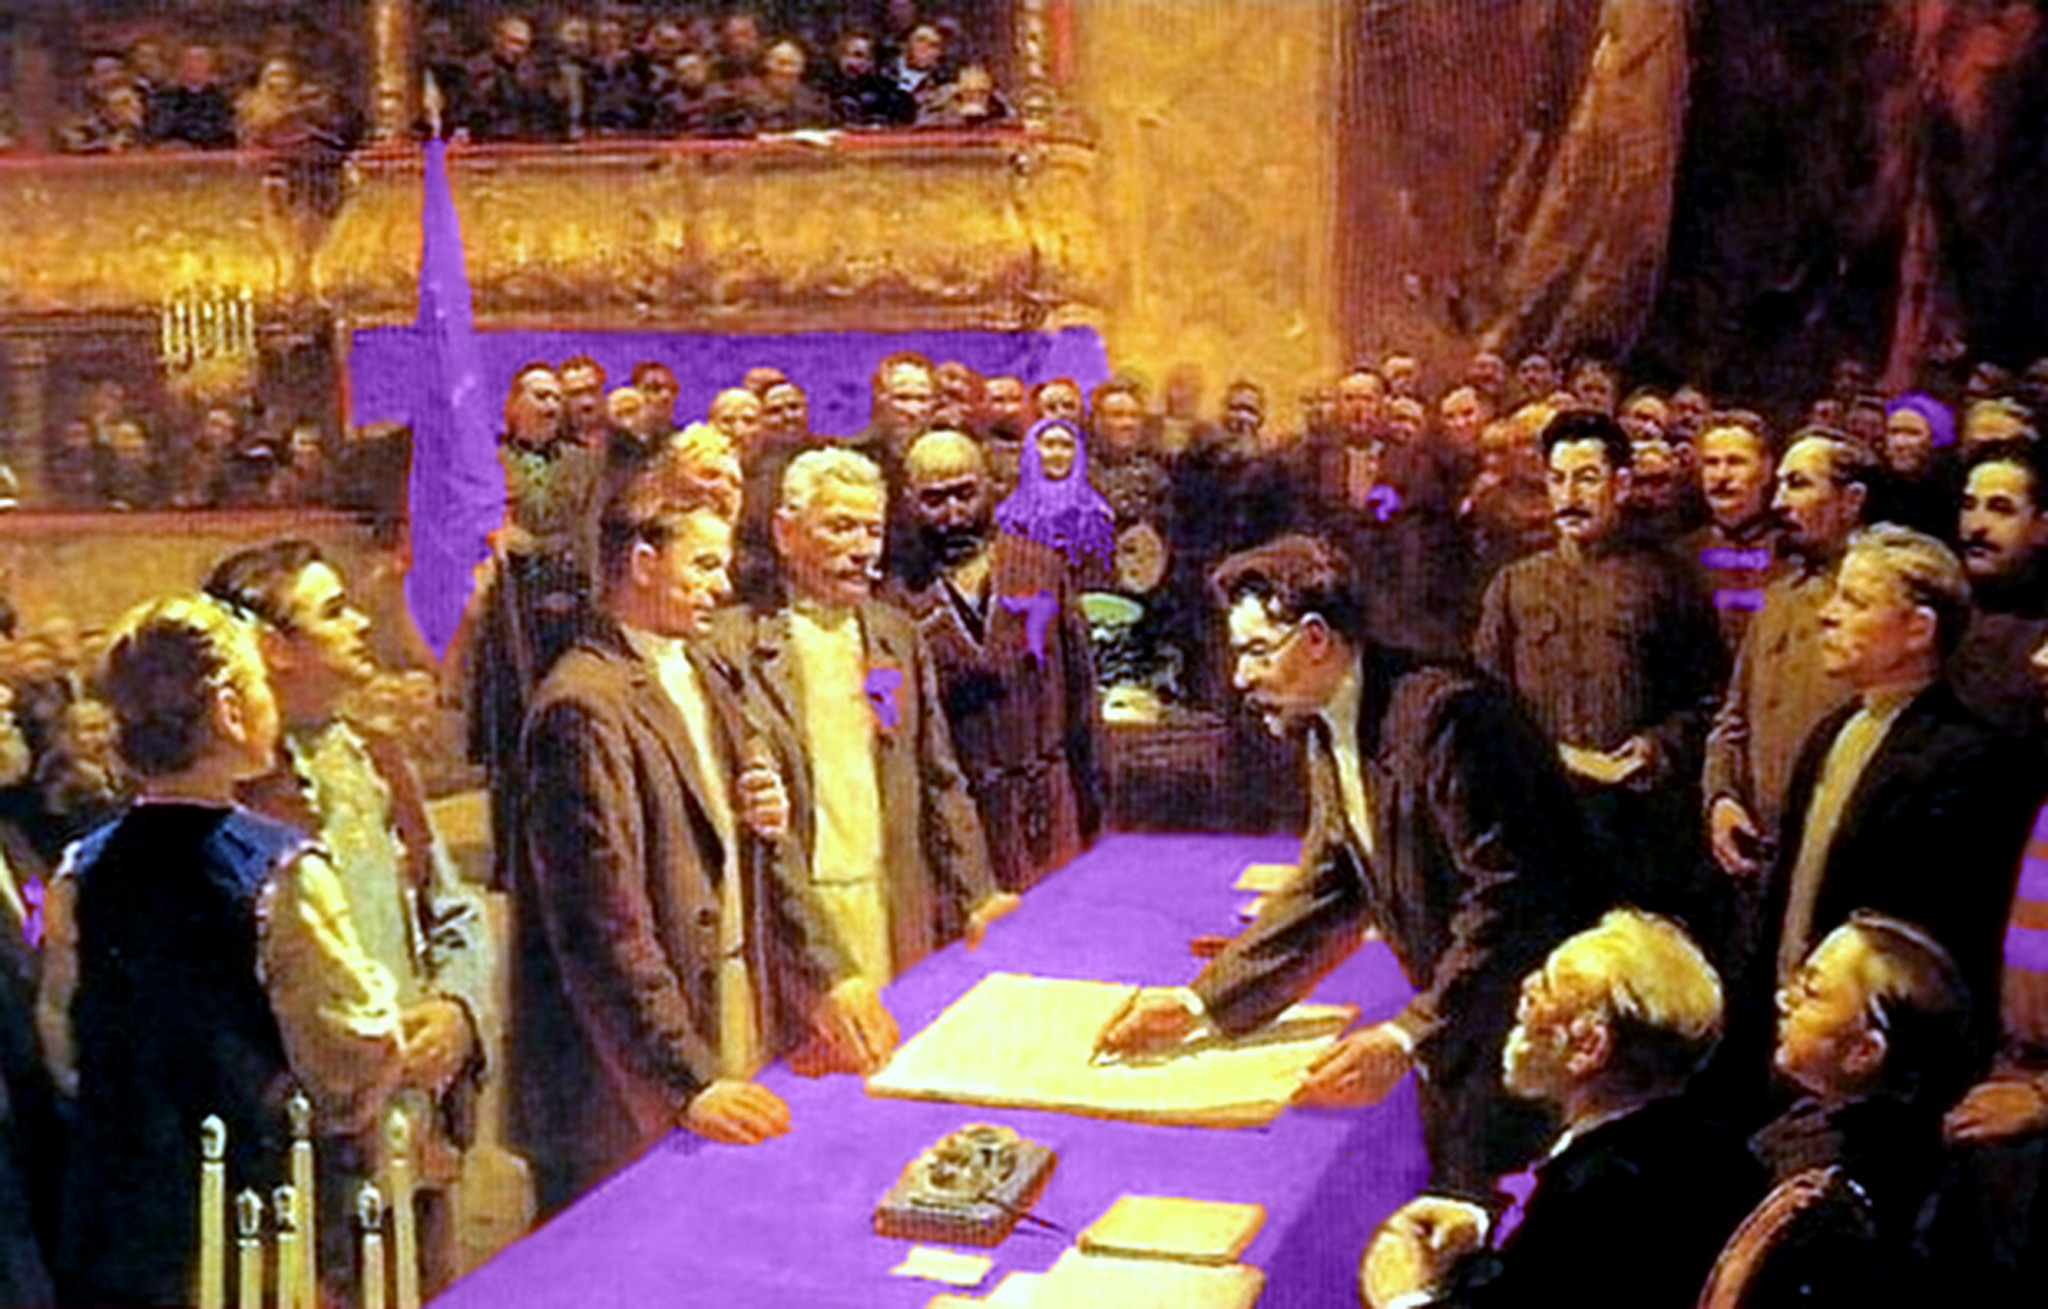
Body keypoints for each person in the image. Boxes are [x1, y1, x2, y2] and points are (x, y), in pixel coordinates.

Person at [1096, 534, 1597, 1199]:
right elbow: (1332, 883)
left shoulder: (1445, 718)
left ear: (1314, 638)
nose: (1241, 676)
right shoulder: (1329, 717)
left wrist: (1407, 1034)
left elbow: (1510, 907)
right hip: (1466, 1026)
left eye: (1255, 651)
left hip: (1534, 1037)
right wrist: (1198, 1003)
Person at [512, 468, 892, 1217]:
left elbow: (765, 850)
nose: (723, 586)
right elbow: (604, 926)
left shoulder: (702, 664)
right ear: (642, 562)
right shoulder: (582, 705)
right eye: (705, 565)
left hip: (727, 1011)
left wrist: (827, 979)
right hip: (627, 1081)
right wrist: (690, 1081)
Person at [36, 597, 406, 1306]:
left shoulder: (82, 871)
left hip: (120, 1225)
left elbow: (66, 1044)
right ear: (231, 711)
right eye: (260, 684)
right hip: (250, 1225)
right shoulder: (283, 871)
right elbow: (347, 1057)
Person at [205, 542, 493, 1295]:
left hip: (416, 1137)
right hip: (301, 1161)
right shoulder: (226, 796)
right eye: (333, 612)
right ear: (274, 648)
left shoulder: (377, 758)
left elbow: (453, 908)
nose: (362, 623)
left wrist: (457, 1011)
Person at [1360, 910, 1758, 1309]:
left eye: (1548, 984)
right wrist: (1482, 1227)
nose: (1527, 987)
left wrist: (1401, 1295)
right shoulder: (1710, 1150)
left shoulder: (1596, 1192)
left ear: (1589, 1047)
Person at [726, 449, 1017, 991]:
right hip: (789, 918)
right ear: (786, 533)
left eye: (873, 530)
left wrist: (977, 893)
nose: (862, 549)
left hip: (893, 905)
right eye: (841, 527)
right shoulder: (733, 646)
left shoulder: (896, 636)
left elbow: (939, 778)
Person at [1763, 525, 2038, 1054]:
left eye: (1855, 601)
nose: (1827, 615)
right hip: (1797, 1024)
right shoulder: (1833, 730)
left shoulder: (1970, 758)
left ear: (1918, 629)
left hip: (1878, 1046)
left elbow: (1929, 936)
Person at [1475, 411, 1726, 929]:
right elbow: (1483, 706)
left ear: (1621, 484)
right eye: (1558, 479)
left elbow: (1710, 700)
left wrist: (1655, 747)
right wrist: (1543, 756)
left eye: (1587, 478)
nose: (1569, 496)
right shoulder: (1514, 586)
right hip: (1540, 826)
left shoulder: (1668, 582)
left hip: (1640, 831)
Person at [1699, 915, 1971, 1308]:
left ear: (1863, 1052)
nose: (1784, 999)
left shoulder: (1825, 1188)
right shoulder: (1816, 1119)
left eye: (1811, 993)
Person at [891, 431, 1101, 890]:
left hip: (1053, 812)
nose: (954, 515)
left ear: (990, 487)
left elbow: (1082, 701)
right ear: (908, 501)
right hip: (964, 827)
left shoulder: (1041, 568)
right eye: (934, 500)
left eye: (965, 494)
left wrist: (1093, 818)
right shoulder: (895, 597)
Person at [1949, 439, 2048, 734]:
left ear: (2042, 526)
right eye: (1969, 506)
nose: (1976, 525)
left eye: (2001, 509)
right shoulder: (1941, 608)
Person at [1679, 413, 1781, 656]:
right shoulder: (1679, 560)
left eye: (1736, 462)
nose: (1722, 476)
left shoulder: (1794, 554)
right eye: (1711, 463)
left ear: (1766, 470)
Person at [994, 419, 1115, 584]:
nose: (1058, 453)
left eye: (1066, 446)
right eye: (1049, 445)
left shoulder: (1096, 512)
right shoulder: (1009, 514)